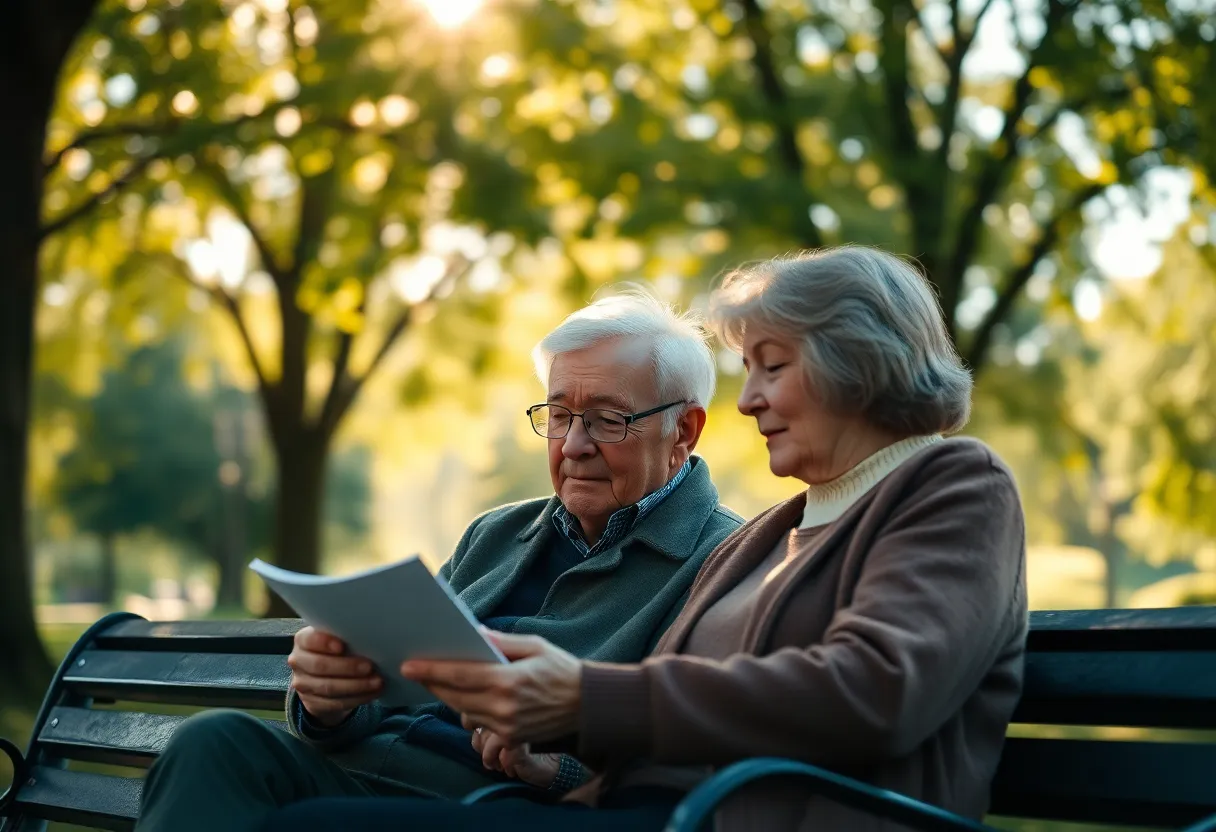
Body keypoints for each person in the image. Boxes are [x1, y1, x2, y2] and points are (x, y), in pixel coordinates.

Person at [261, 245, 1029, 832]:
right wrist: (556, 764)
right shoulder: (771, 535)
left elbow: (875, 689)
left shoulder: (954, 485)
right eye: (747, 371)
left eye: (771, 367)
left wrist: (584, 698)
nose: (750, 401)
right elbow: (677, 721)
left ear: (856, 364)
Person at [135, 291, 743, 832]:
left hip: (499, 802)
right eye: (559, 417)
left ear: (684, 431)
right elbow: (396, 677)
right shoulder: (497, 533)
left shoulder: (725, 559)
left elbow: (683, 758)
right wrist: (332, 701)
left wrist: (556, 770)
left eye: (608, 421)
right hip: (373, 763)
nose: (574, 445)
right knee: (212, 741)